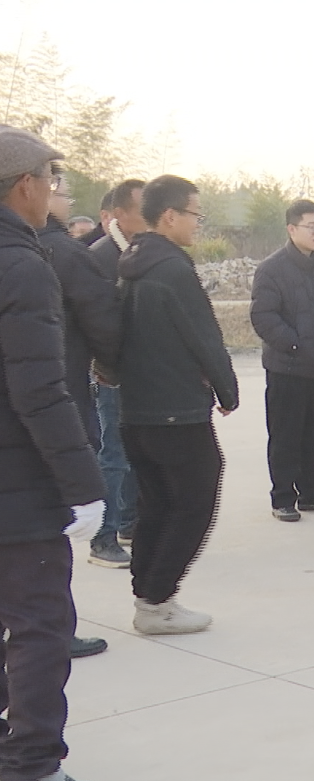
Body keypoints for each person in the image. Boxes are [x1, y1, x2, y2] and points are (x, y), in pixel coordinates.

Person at [0, 124, 107, 781]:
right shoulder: (21, 265)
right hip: (19, 484)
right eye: (51, 179)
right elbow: (39, 390)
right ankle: (31, 761)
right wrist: (84, 485)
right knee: (40, 625)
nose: (52, 191)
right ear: (25, 185)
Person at [117, 174, 239, 634]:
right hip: (176, 410)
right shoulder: (172, 269)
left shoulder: (130, 263)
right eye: (195, 215)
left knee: (158, 504)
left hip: (137, 409)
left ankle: (148, 597)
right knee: (194, 503)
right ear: (169, 216)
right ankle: (157, 600)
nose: (197, 224)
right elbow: (204, 336)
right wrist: (228, 390)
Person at [39, 173, 125, 581]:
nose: (69, 202)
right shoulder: (63, 253)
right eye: (63, 193)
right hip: (56, 398)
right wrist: (111, 368)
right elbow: (104, 323)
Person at [250, 200, 314, 522]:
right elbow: (263, 317)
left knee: (313, 435)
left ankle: (311, 493)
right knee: (285, 436)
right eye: (311, 226)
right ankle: (283, 498)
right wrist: (295, 345)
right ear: (292, 229)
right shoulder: (272, 269)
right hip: (288, 368)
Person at [87, 179, 146, 561]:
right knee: (113, 456)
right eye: (143, 209)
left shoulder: (143, 252)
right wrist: (108, 366)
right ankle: (102, 537)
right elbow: (95, 322)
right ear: (119, 214)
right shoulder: (100, 257)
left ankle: (129, 522)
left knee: (137, 453)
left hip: (141, 372)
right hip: (111, 375)